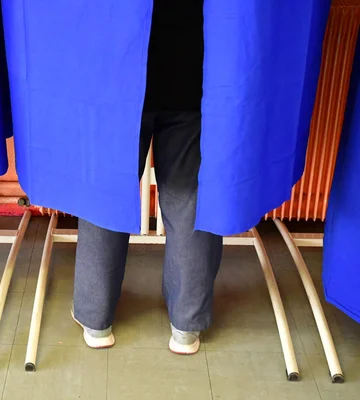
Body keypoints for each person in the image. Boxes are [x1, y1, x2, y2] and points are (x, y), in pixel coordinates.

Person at [72, 0, 223, 355]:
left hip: (115, 72)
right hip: (192, 67)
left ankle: (96, 321)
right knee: (190, 200)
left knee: (104, 194)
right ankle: (186, 326)